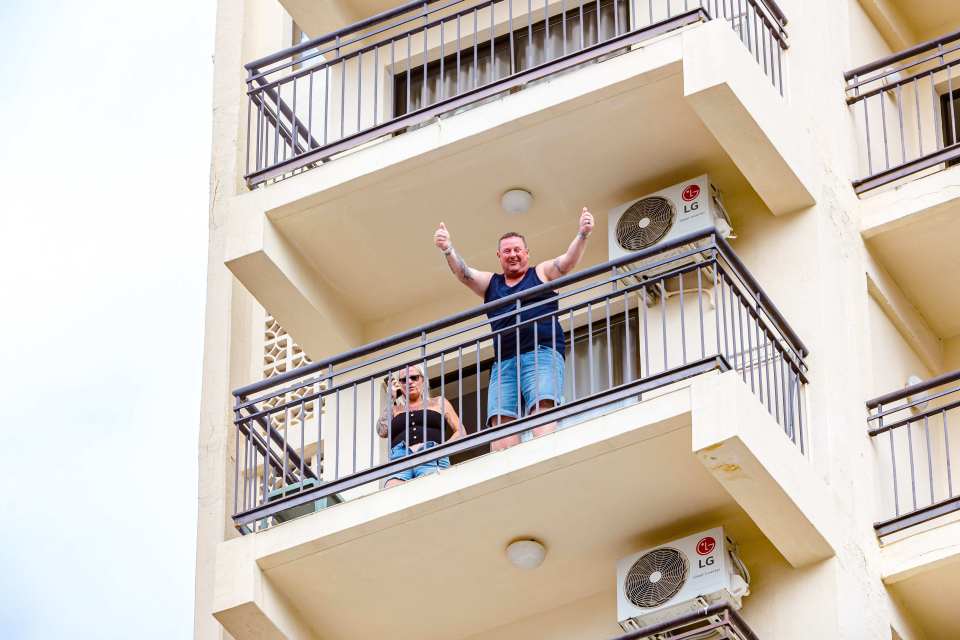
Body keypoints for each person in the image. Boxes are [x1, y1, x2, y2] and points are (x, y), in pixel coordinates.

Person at [433, 207, 594, 449]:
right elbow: (464, 274)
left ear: (527, 253)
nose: (513, 255)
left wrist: (582, 234)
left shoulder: (540, 273)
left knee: (542, 409)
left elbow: (566, 263)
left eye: (517, 250)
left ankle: (543, 457)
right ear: (499, 255)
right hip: (505, 362)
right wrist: (448, 249)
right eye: (507, 251)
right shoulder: (491, 283)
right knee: (500, 422)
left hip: (541, 353)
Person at [377, 364, 464, 488]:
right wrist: (390, 399)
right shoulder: (394, 409)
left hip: (431, 455)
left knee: (431, 492)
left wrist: (442, 449)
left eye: (414, 377)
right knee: (392, 495)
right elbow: (382, 431)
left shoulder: (438, 402)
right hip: (400, 459)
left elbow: (461, 431)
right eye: (404, 380)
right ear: (399, 385)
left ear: (423, 381)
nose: (409, 382)